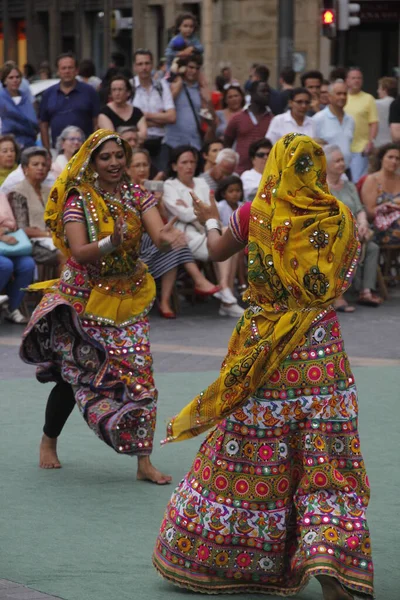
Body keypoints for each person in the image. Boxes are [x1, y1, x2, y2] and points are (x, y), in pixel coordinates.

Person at [153, 134, 374, 600]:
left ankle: (240, 555)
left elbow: (215, 252)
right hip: (321, 352)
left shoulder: (258, 214)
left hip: (267, 351)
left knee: (253, 450)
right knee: (325, 460)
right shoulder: (339, 218)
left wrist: (211, 218)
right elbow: (345, 276)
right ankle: (330, 560)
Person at [20, 129, 187, 482]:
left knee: (142, 378)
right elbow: (79, 251)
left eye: (118, 156)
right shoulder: (78, 199)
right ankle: (49, 440)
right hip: (84, 299)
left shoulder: (136, 194)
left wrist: (170, 240)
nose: (114, 163)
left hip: (129, 297)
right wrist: (113, 240)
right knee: (73, 378)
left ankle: (143, 462)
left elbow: (157, 235)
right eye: (105, 157)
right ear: (93, 162)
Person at [129, 148, 219, 317]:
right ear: (128, 168)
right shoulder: (126, 191)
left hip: (156, 236)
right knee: (176, 240)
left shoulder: (150, 189)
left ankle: (166, 300)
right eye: (137, 165)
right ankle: (197, 281)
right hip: (137, 240)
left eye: (145, 165)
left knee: (176, 240)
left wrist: (158, 202)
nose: (142, 169)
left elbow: (163, 218)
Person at [163, 145, 244, 318]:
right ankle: (226, 297)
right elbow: (183, 214)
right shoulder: (169, 185)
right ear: (174, 166)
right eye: (184, 162)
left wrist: (191, 209)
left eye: (192, 161)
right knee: (225, 239)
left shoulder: (201, 182)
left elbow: (210, 210)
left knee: (229, 235)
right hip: (184, 237)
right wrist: (199, 212)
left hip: (205, 230)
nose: (189, 166)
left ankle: (224, 288)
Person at [325, 144, 381, 309]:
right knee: (341, 249)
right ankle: (337, 295)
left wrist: (363, 223)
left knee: (372, 248)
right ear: (327, 165)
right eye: (337, 161)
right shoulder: (321, 188)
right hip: (333, 234)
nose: (342, 164)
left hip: (354, 231)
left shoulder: (348, 186)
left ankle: (366, 291)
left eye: (342, 160)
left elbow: (359, 209)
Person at [7, 147, 59, 268]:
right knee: (62, 255)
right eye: (35, 164)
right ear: (25, 168)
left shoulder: (49, 191)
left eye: (43, 164)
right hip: (31, 243)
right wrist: (47, 234)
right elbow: (22, 228)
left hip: (52, 240)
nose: (40, 168)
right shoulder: (18, 192)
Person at [39, 52, 100, 150]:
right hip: (57, 151)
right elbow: (43, 124)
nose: (67, 71)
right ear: (58, 71)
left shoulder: (89, 92)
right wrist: (47, 150)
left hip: (85, 150)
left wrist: (93, 148)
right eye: (63, 68)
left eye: (70, 68)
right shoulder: (48, 94)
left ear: (76, 70)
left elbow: (96, 122)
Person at [131, 49, 176, 172]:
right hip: (137, 144)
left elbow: (172, 117)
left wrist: (145, 116)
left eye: (147, 63)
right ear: (135, 67)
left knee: (160, 180)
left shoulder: (161, 86)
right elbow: (128, 121)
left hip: (161, 143)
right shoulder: (129, 87)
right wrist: (161, 119)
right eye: (140, 64)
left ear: (152, 65)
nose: (144, 67)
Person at [0, 193, 35, 323]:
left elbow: (11, 222)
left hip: (6, 242)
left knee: (27, 264)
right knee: (5, 265)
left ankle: (12, 308)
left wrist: (6, 230)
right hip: (3, 240)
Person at [224, 80, 273, 174]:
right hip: (240, 171)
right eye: (263, 91)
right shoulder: (237, 118)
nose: (266, 94)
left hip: (264, 172)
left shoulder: (273, 120)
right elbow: (227, 144)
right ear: (252, 93)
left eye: (268, 92)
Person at [165, 54, 208, 152]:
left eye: (197, 68)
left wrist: (207, 100)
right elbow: (165, 106)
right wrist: (178, 84)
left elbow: (205, 116)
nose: (193, 71)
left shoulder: (200, 89)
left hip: (195, 143)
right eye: (191, 67)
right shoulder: (172, 85)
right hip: (173, 142)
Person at [361, 143, 400, 247]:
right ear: (382, 159)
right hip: (381, 226)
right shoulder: (372, 180)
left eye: (397, 159)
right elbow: (369, 211)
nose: (394, 161)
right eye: (390, 157)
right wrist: (390, 206)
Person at [345, 67, 378, 183]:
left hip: (360, 148)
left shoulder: (368, 98)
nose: (356, 81)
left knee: (357, 181)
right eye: (353, 78)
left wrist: (370, 142)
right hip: (343, 147)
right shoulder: (342, 97)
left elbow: (373, 122)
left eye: (359, 78)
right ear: (347, 81)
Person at [312, 80, 355, 170]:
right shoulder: (318, 119)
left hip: (345, 171)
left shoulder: (350, 120)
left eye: (344, 94)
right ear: (329, 97)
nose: (342, 97)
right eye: (338, 94)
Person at [0, 62, 39, 149]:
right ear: (5, 80)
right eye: (11, 77)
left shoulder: (26, 98)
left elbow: (34, 122)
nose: (15, 80)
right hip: (7, 146)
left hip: (29, 144)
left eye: (17, 77)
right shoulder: (1, 98)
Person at [98, 75, 147, 143]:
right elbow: (112, 137)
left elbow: (144, 134)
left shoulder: (137, 112)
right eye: (114, 90)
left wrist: (123, 135)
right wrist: (134, 136)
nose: (117, 93)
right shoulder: (104, 112)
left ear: (128, 92)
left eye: (120, 89)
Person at [241, 138, 272, 202]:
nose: (266, 157)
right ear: (253, 158)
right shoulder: (247, 175)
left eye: (268, 154)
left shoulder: (277, 174)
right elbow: (252, 195)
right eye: (261, 155)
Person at [375, 77, 397, 147]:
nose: (377, 91)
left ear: (384, 89)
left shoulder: (375, 104)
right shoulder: (397, 104)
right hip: (394, 144)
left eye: (379, 88)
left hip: (378, 144)